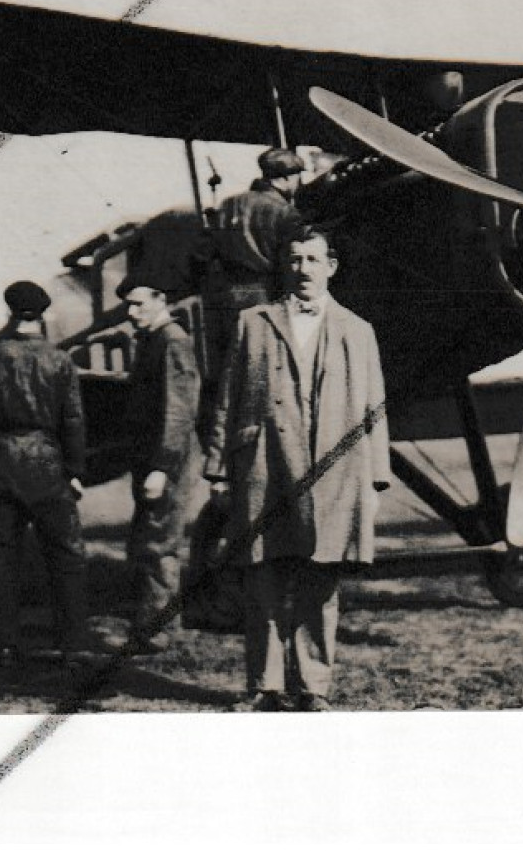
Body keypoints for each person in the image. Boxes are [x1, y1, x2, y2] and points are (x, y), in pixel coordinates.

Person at [203, 224, 389, 712]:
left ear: (331, 267)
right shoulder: (253, 322)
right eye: (295, 259)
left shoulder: (358, 330)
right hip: (264, 468)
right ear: (284, 266)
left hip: (334, 474)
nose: (303, 268)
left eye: (313, 259)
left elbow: (374, 410)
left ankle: (313, 688)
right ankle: (264, 687)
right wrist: (219, 469)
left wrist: (375, 479)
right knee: (261, 580)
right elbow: (227, 397)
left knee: (319, 582)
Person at [0, 281, 91, 666]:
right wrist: (75, 470)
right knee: (66, 557)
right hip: (47, 465)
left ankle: (5, 644)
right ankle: (72, 645)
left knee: (3, 558)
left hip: (3, 463)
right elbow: (73, 420)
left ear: (9, 313)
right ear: (42, 316)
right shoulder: (59, 361)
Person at [117, 263, 205, 652]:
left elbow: (178, 412)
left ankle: (158, 630)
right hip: (153, 460)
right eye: (128, 306)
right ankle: (153, 623)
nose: (131, 313)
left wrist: (161, 468)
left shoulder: (171, 342)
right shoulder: (154, 340)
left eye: (138, 304)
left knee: (159, 544)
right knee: (149, 541)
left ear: (160, 300)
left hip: (165, 462)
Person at [203, 147, 305, 364]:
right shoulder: (285, 212)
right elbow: (290, 264)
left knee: (231, 366)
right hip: (264, 297)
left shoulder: (228, 205)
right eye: (297, 177)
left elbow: (209, 252)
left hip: (224, 298)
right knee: (265, 365)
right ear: (287, 177)